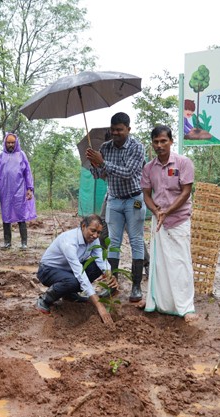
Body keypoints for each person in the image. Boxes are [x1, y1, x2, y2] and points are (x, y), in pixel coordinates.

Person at [85, 112, 146, 303]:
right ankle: (112, 286)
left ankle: (136, 286)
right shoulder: (105, 147)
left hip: (134, 199)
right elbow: (100, 174)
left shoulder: (137, 147)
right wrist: (94, 164)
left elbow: (128, 172)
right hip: (114, 199)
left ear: (128, 129)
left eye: (119, 129)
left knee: (136, 240)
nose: (115, 133)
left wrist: (103, 162)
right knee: (113, 243)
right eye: (113, 130)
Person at [139, 125, 197, 321]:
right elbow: (146, 194)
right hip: (159, 221)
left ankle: (185, 307)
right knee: (160, 263)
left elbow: (186, 192)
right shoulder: (148, 167)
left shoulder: (183, 163)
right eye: (155, 142)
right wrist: (156, 211)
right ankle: (160, 303)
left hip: (179, 219)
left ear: (171, 142)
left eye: (163, 141)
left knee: (180, 263)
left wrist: (168, 211)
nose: (159, 145)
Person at [35, 214, 116, 325]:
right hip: (48, 271)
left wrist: (109, 274)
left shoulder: (94, 239)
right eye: (92, 231)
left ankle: (69, 294)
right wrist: (100, 306)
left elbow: (101, 260)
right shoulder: (69, 242)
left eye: (99, 232)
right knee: (73, 281)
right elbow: (79, 274)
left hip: (68, 270)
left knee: (96, 265)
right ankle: (45, 299)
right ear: (83, 226)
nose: (95, 235)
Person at [0, 133, 36, 250]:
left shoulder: (21, 155)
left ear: (16, 143)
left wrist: (29, 188)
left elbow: (28, 173)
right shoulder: (0, 157)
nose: (10, 144)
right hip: (5, 191)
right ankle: (7, 242)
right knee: (6, 216)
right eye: (8, 142)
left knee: (21, 216)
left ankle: (24, 243)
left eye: (12, 142)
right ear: (5, 143)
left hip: (20, 190)